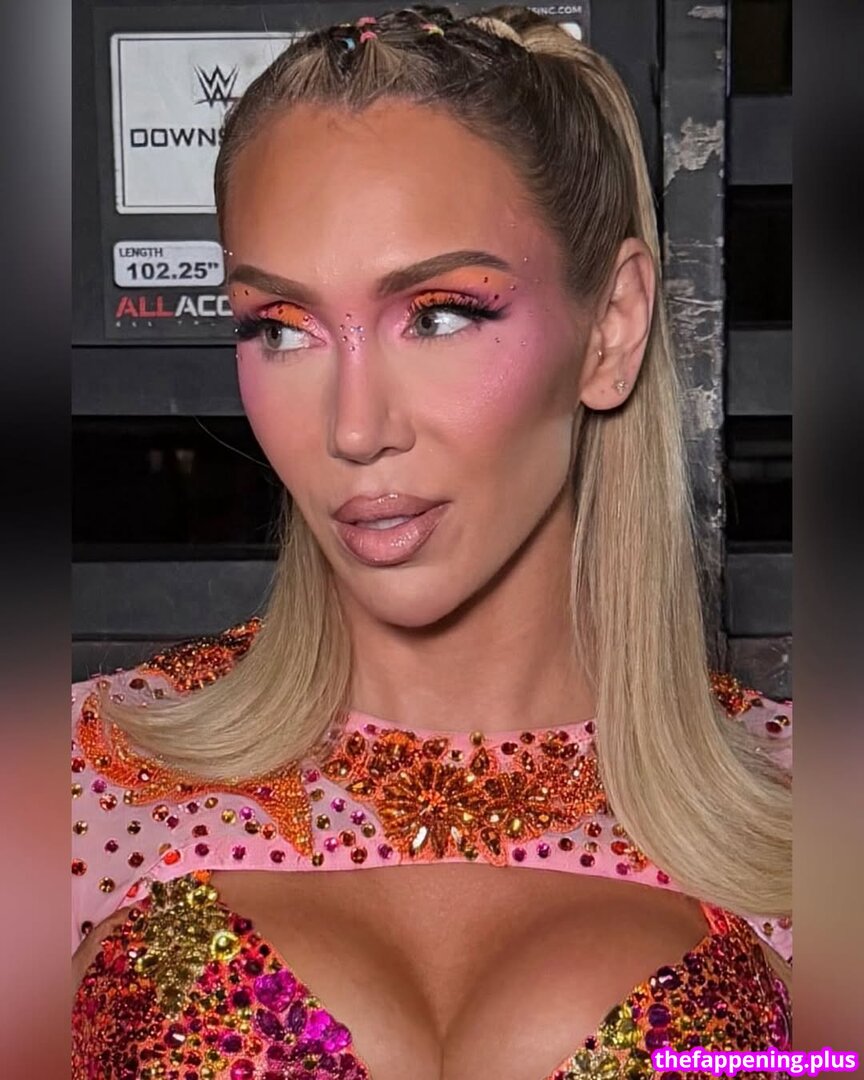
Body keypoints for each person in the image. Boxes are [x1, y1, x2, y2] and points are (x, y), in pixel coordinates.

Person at [71, 6, 793, 1078]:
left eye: (441, 313)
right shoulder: (71, 785)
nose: (355, 429)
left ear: (613, 326)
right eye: (281, 328)